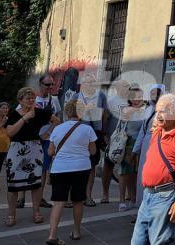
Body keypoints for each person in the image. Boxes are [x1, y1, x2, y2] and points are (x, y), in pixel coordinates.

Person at [131, 93, 175, 245]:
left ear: (174, 113)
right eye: (157, 111)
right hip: (148, 195)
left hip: (165, 195)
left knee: (160, 241)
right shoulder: (157, 133)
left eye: (163, 111)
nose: (158, 115)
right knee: (138, 241)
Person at [46, 99, 97, 244]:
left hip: (60, 168)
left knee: (58, 202)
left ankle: (52, 235)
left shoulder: (57, 129)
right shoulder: (87, 129)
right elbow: (93, 151)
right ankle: (76, 231)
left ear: (67, 113)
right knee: (78, 201)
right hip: (81, 168)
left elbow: (50, 152)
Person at [4, 86, 58, 227]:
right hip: (16, 150)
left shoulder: (40, 113)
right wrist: (24, 118)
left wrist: (47, 135)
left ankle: (36, 212)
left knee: (36, 185)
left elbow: (57, 121)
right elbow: (10, 133)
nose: (32, 100)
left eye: (33, 98)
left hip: (35, 149)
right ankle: (11, 215)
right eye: (28, 98)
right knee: (13, 185)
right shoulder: (13, 114)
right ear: (20, 100)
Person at [74, 76, 108, 207]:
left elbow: (104, 115)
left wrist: (104, 133)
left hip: (95, 135)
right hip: (78, 136)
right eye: (87, 82)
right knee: (77, 165)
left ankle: (88, 196)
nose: (90, 85)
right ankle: (76, 195)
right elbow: (70, 116)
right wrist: (85, 109)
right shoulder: (76, 97)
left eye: (93, 82)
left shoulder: (101, 96)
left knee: (92, 166)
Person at [117, 86, 145, 211]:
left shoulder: (146, 110)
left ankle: (134, 199)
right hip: (128, 144)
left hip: (141, 145)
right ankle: (122, 200)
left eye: (139, 97)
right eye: (134, 97)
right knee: (124, 173)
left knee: (135, 173)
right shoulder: (127, 110)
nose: (137, 100)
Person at [37, 75, 62, 209]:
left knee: (44, 168)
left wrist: (50, 133)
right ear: (40, 85)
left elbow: (57, 119)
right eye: (48, 85)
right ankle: (21, 198)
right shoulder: (32, 99)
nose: (51, 87)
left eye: (52, 84)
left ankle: (40, 197)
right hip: (33, 138)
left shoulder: (55, 100)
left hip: (48, 139)